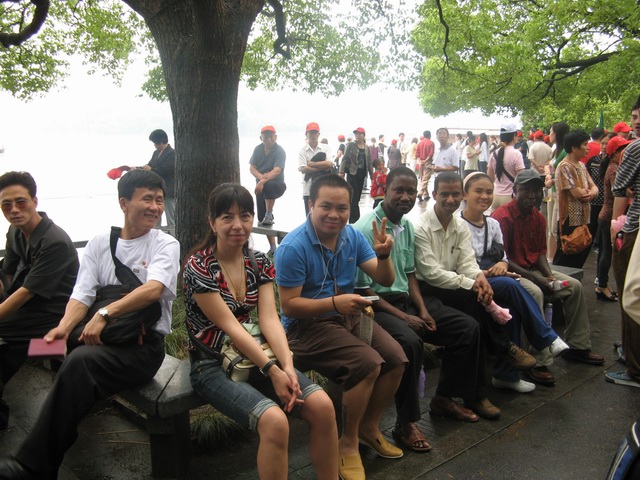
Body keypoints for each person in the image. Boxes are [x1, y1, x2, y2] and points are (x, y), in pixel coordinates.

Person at [0, 169, 180, 479]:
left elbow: (154, 289)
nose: (155, 207)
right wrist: (64, 328)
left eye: (159, 200)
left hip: (141, 348)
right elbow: (82, 294)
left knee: (79, 362)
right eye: (147, 199)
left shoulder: (165, 244)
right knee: (36, 347)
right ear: (123, 203)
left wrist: (104, 313)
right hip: (99, 337)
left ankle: (33, 465)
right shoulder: (99, 244)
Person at [183, 184, 338, 479]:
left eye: (245, 216)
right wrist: (272, 370)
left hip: (254, 355)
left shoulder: (259, 262)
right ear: (212, 223)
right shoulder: (199, 267)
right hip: (211, 364)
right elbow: (230, 326)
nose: (238, 225)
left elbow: (269, 319)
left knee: (322, 406)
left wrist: (287, 366)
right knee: (274, 421)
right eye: (227, 217)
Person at [275, 174, 406, 480]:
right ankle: (347, 442)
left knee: (396, 358)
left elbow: (384, 279)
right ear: (311, 205)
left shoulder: (352, 237)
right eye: (326, 206)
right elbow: (290, 306)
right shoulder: (293, 246)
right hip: (304, 327)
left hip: (345, 314)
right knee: (367, 364)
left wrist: (384, 255)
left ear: (350, 209)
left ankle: (368, 428)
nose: (334, 215)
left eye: (342, 208)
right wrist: (335, 303)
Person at [354, 167, 498, 443]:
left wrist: (422, 310)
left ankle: (444, 398)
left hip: (407, 301)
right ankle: (406, 423)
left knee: (466, 328)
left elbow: (410, 274)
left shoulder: (407, 226)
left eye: (411, 191)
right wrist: (405, 317)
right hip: (377, 306)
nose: (406, 197)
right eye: (399, 190)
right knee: (411, 341)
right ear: (385, 190)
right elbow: (362, 289)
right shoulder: (364, 228)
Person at [413, 172, 536, 395]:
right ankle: (503, 348)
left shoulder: (460, 225)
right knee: (474, 312)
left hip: (452, 284)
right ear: (434, 194)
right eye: (444, 194)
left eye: (454, 194)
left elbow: (467, 261)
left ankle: (479, 389)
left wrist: (478, 277)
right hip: (427, 289)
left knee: (479, 308)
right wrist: (472, 283)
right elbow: (431, 273)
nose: (450, 199)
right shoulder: (421, 227)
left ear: (461, 195)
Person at [460, 172, 569, 387]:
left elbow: (502, 255)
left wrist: (502, 264)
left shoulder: (492, 224)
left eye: (489, 192)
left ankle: (506, 375)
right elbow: (460, 262)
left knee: (510, 309)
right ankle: (546, 337)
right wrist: (490, 271)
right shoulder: (458, 224)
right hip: (469, 279)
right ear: (465, 194)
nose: (484, 196)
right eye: (478, 191)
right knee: (513, 285)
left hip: (493, 276)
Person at [492, 170, 605, 367]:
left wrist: (549, 276)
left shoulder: (538, 217)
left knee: (574, 286)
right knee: (536, 292)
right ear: (514, 190)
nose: (532, 195)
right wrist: (538, 280)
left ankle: (578, 346)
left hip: (531, 269)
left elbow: (540, 253)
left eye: (536, 190)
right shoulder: (502, 217)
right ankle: (539, 359)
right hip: (511, 273)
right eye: (526, 190)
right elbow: (504, 259)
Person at [0, 172, 79, 430]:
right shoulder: (15, 231)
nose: (14, 210)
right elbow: (7, 272)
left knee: (6, 341)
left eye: (21, 202)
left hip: (54, 314)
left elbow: (26, 292)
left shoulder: (54, 241)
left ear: (34, 201)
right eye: (6, 205)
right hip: (29, 309)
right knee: (9, 348)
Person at [607, 95, 640, 388]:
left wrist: (615, 231)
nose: (636, 122)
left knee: (630, 297)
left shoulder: (635, 149)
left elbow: (620, 187)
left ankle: (635, 366)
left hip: (634, 228)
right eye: (634, 116)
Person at [552, 130, 598, 268]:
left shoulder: (581, 165)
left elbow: (594, 188)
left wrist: (591, 192)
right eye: (584, 144)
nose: (588, 148)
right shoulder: (564, 166)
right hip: (569, 220)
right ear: (573, 147)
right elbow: (578, 194)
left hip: (584, 219)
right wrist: (590, 192)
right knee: (565, 259)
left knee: (579, 258)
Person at [595, 135, 630, 302]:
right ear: (615, 153)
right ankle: (602, 285)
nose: (626, 151)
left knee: (604, 252)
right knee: (607, 253)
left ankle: (602, 284)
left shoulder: (612, 166)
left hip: (606, 215)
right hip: (610, 217)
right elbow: (619, 193)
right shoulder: (615, 169)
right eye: (623, 149)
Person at [249, 125, 287, 255]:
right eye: (265, 137)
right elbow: (252, 168)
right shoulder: (258, 149)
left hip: (277, 184)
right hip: (261, 187)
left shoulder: (280, 151)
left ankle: (269, 213)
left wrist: (262, 181)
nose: (268, 139)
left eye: (271, 136)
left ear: (275, 137)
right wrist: (261, 179)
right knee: (261, 218)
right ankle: (273, 247)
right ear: (261, 138)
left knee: (269, 185)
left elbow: (277, 170)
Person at [133, 129, 176, 228]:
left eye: (155, 143)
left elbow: (165, 170)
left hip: (169, 189)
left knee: (171, 216)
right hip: (157, 189)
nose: (154, 145)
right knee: (156, 214)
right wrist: (137, 168)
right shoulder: (156, 153)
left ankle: (173, 232)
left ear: (161, 141)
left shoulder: (172, 153)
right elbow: (149, 166)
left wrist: (151, 169)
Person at [544, 121, 571, 262]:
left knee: (555, 228)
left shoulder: (565, 151)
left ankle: (552, 259)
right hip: (552, 192)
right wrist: (549, 174)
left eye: (551, 132)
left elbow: (566, 177)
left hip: (559, 193)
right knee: (551, 227)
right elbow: (548, 165)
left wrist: (552, 181)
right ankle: (550, 257)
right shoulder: (556, 150)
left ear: (557, 134)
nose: (549, 135)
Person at [339, 127, 373, 224]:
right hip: (352, 173)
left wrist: (372, 176)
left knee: (357, 198)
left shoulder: (366, 147)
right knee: (353, 197)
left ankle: (354, 219)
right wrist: (341, 171)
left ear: (363, 135)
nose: (357, 136)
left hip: (362, 174)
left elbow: (369, 162)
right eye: (356, 134)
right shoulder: (350, 145)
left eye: (359, 134)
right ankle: (354, 220)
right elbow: (344, 158)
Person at [488, 123, 525, 210]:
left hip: (495, 196)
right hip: (510, 197)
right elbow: (521, 178)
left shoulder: (493, 154)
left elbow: (490, 177)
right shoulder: (516, 154)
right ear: (514, 136)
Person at [298, 122, 333, 216]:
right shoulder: (302, 150)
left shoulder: (326, 148)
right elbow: (303, 169)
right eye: (310, 133)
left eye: (315, 132)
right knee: (309, 215)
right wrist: (322, 167)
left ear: (319, 134)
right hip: (308, 188)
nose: (313, 135)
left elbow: (329, 164)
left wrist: (311, 164)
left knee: (324, 214)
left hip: (325, 187)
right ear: (306, 134)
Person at [415, 130, 435, 202]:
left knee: (422, 178)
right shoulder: (431, 143)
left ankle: (426, 194)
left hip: (421, 162)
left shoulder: (419, 143)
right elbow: (431, 154)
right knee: (425, 179)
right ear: (429, 135)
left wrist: (420, 161)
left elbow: (417, 154)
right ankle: (420, 192)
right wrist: (426, 160)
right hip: (427, 162)